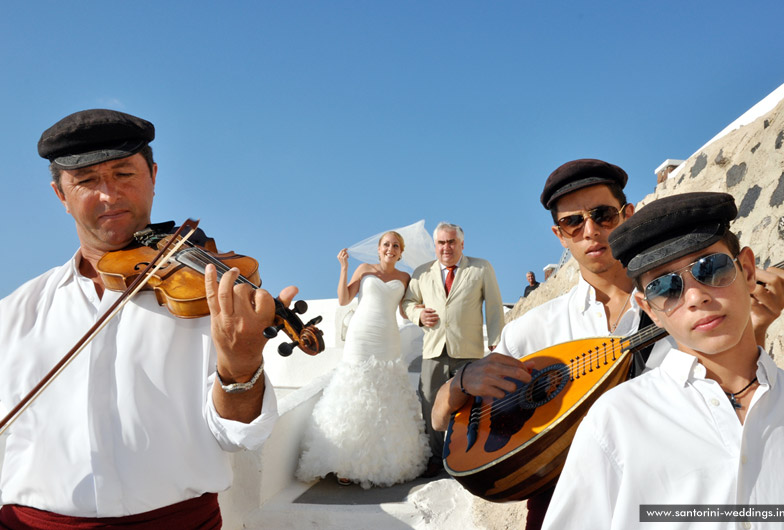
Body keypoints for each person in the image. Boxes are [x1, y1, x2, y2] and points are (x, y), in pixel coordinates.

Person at [430, 159, 784, 529]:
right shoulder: (534, 329)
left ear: (627, 214)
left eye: (602, 215)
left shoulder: (683, 304)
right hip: (561, 503)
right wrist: (457, 385)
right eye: (573, 222)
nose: (590, 231)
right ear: (559, 235)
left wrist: (755, 326)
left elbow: (733, 399)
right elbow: (446, 424)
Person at [0, 109, 287, 528]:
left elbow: (238, 435)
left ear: (153, 176)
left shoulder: (213, 296)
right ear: (61, 195)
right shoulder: (13, 313)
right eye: (86, 181)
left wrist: (240, 367)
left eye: (124, 174)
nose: (109, 195)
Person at [541, 192, 784, 529]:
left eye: (711, 268)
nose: (695, 296)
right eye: (666, 287)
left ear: (748, 270)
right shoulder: (617, 421)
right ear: (650, 309)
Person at [296, 232, 430, 488]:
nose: (391, 249)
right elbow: (344, 299)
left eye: (396, 246)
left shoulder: (404, 278)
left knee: (385, 393)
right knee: (354, 390)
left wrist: (423, 308)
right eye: (386, 245)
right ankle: (344, 462)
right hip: (361, 335)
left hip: (388, 337)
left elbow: (404, 312)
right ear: (378, 250)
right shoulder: (364, 269)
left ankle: (384, 462)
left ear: (401, 252)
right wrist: (344, 268)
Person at [402, 222, 504, 477]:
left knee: (471, 405)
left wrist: (497, 341)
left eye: (451, 242)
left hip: (468, 350)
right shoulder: (421, 272)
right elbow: (407, 302)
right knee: (430, 404)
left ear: (461, 244)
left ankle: (468, 456)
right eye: (441, 243)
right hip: (434, 350)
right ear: (435, 245)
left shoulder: (481, 268)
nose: (446, 247)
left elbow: (493, 306)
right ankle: (437, 458)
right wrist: (417, 314)